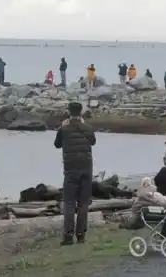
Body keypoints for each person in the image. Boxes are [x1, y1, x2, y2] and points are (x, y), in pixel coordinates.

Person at [53, 101, 96, 246]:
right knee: (83, 203)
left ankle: (68, 236)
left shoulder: (64, 129)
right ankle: (81, 235)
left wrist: (63, 126)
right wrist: (83, 124)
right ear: (81, 112)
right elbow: (93, 142)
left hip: (71, 169)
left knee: (69, 203)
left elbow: (57, 144)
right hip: (86, 168)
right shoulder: (88, 128)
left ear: (69, 112)